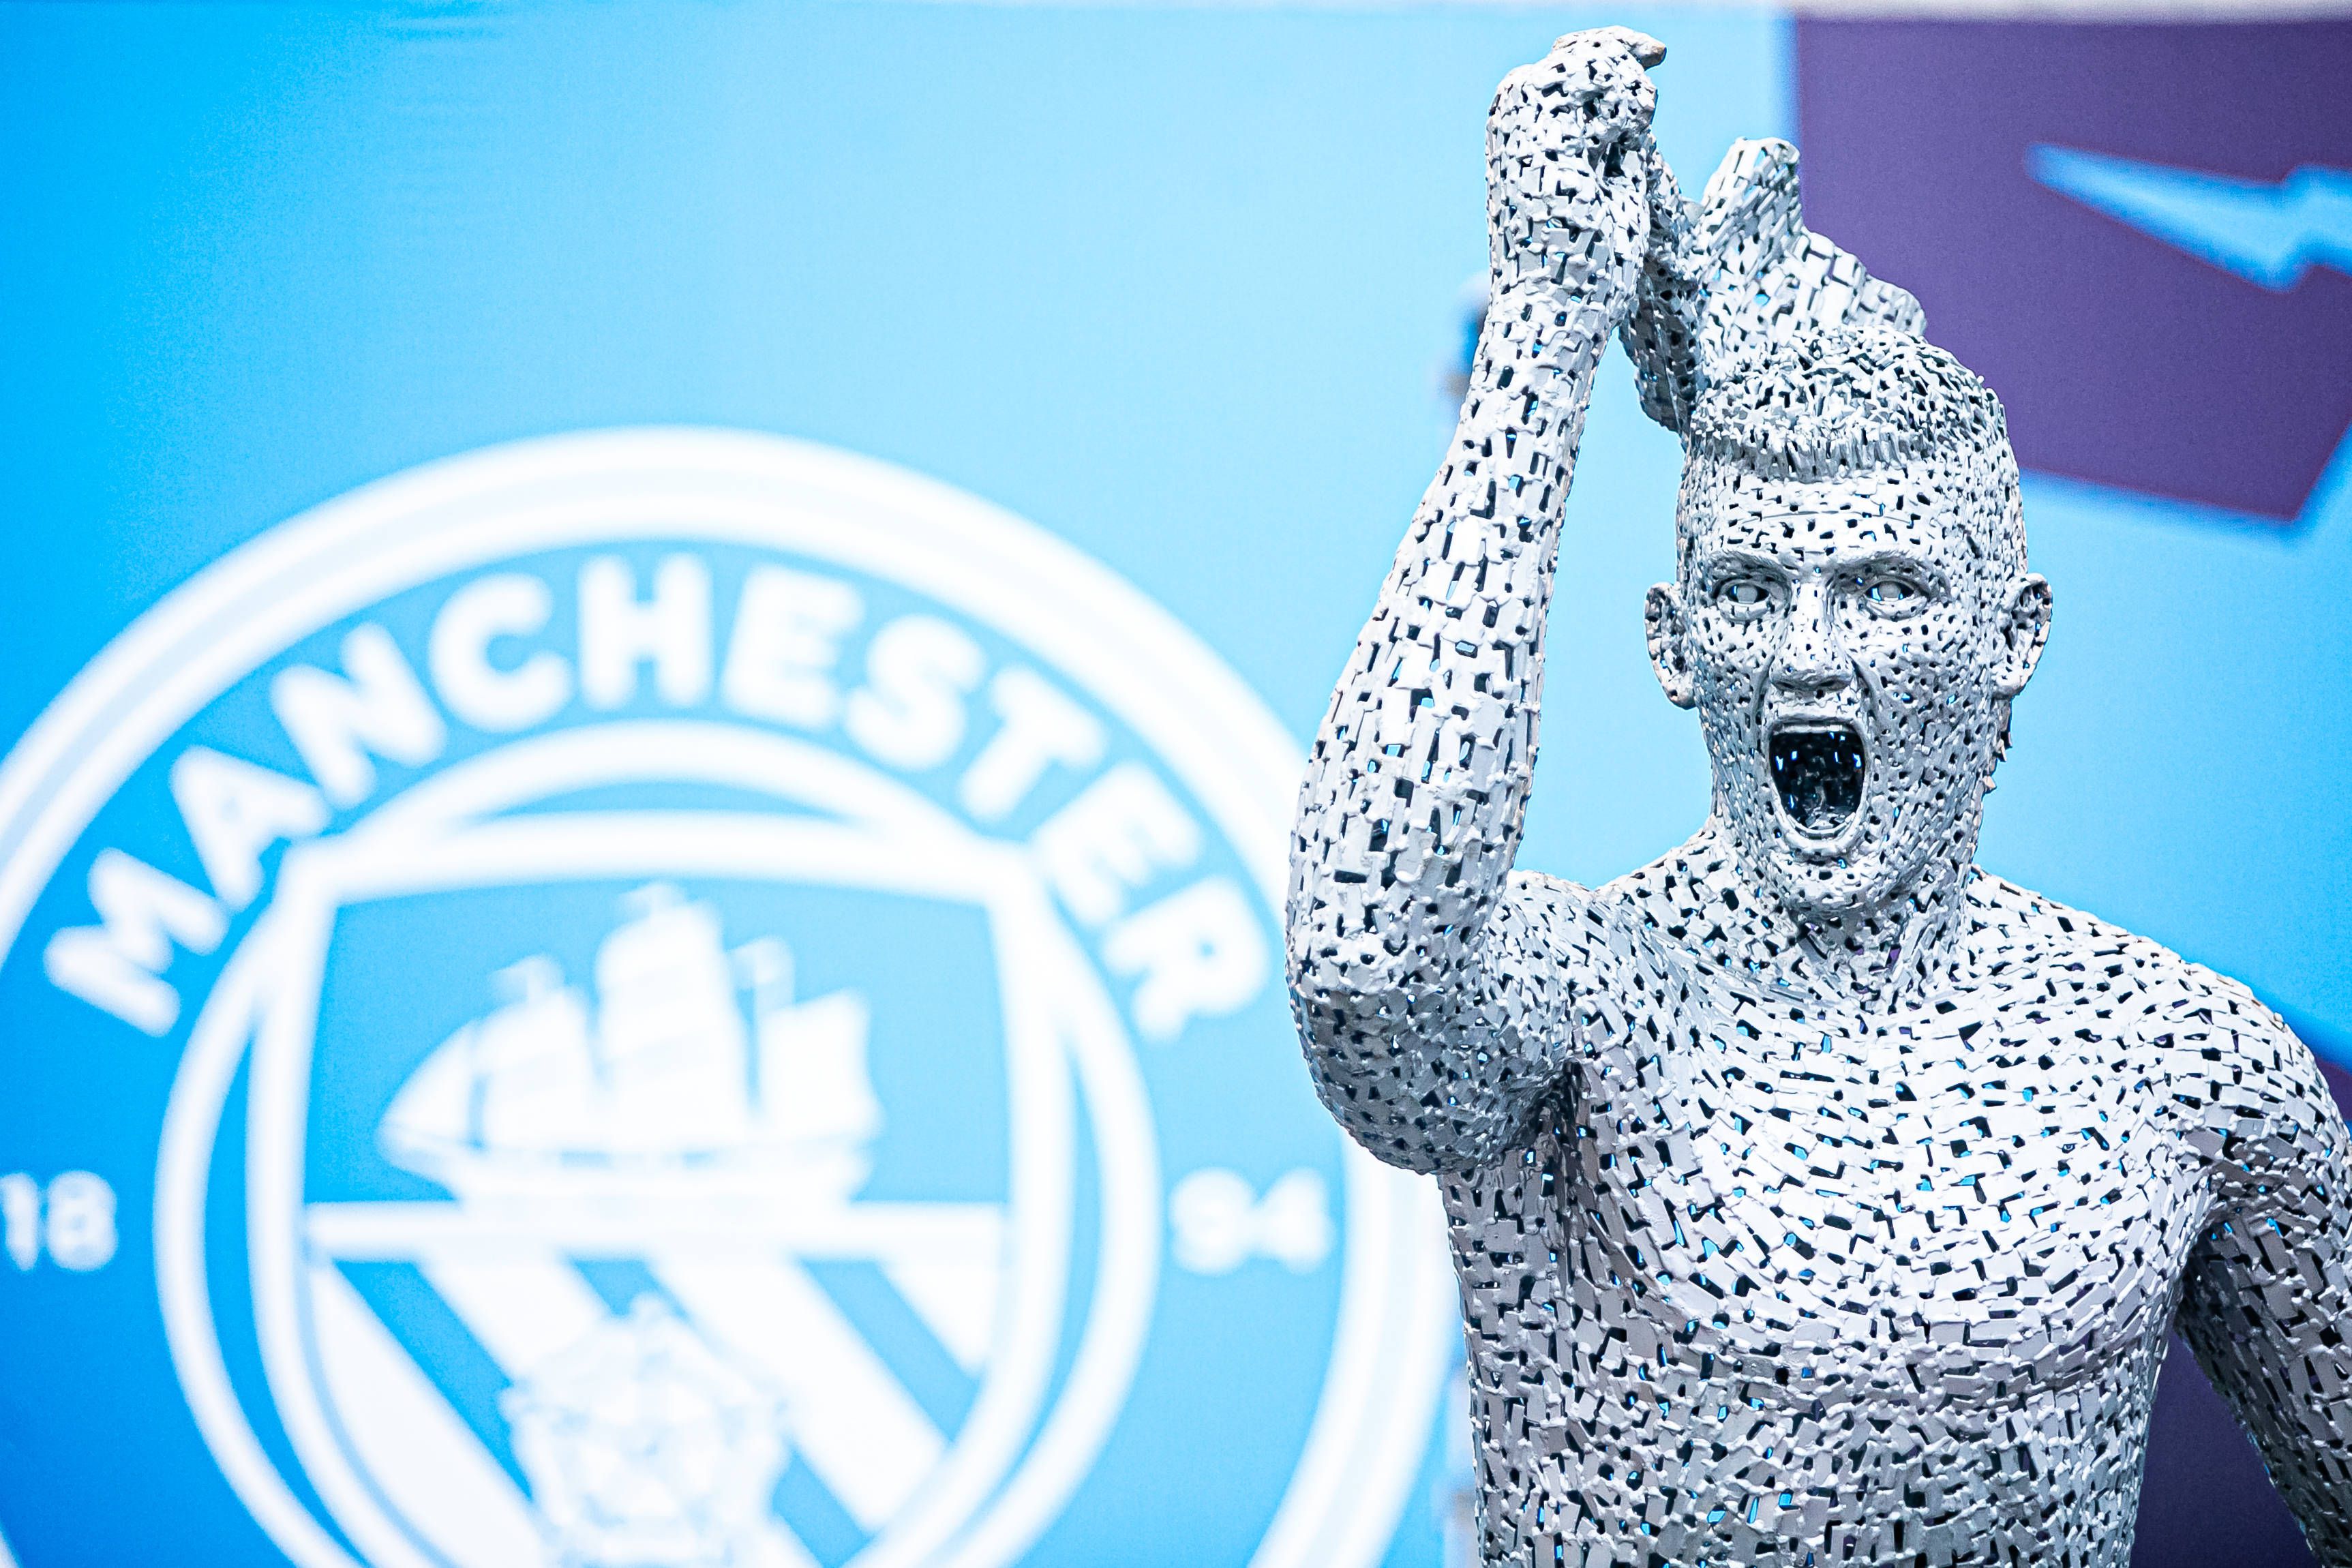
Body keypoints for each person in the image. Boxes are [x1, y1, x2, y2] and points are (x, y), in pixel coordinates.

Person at [1284, 27, 2352, 1567]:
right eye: (1747, 587)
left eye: (1884, 586)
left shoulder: (2189, 1065)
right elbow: (1368, 968)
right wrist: (1539, 331)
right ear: (1671, 643)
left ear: (2016, 636)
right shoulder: (1581, 1008)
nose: (1808, 650)